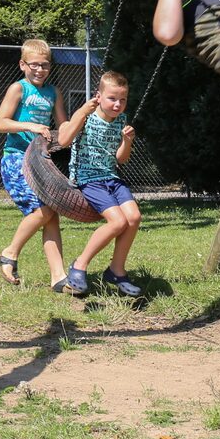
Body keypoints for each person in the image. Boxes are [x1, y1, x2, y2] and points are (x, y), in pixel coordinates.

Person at [0, 38, 71, 292]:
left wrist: (84, 120)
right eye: (34, 65)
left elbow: (63, 127)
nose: (40, 70)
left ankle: (59, 278)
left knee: (51, 214)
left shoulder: (53, 92)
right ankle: (10, 253)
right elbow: (0, 123)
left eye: (45, 65)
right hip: (15, 158)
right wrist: (31, 125)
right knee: (45, 211)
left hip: (40, 161)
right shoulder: (19, 89)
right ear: (22, 65)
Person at [58, 71, 144, 298]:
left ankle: (116, 270)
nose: (118, 104)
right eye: (112, 98)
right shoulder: (86, 115)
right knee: (117, 222)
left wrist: (127, 142)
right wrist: (82, 112)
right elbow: (63, 141)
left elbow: (121, 159)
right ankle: (79, 265)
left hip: (111, 178)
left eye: (122, 100)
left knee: (134, 218)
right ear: (98, 96)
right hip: (88, 179)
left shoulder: (121, 122)